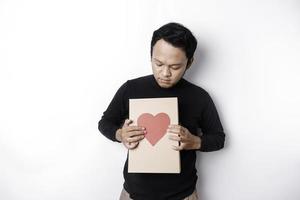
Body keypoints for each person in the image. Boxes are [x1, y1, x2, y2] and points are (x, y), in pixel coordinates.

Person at [98, 22, 226, 200]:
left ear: (189, 63)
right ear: (150, 56)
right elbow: (105, 123)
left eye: (175, 67)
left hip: (183, 195)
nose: (165, 73)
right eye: (158, 64)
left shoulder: (199, 97)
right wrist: (121, 134)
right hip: (133, 194)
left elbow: (219, 139)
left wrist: (194, 142)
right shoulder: (131, 88)